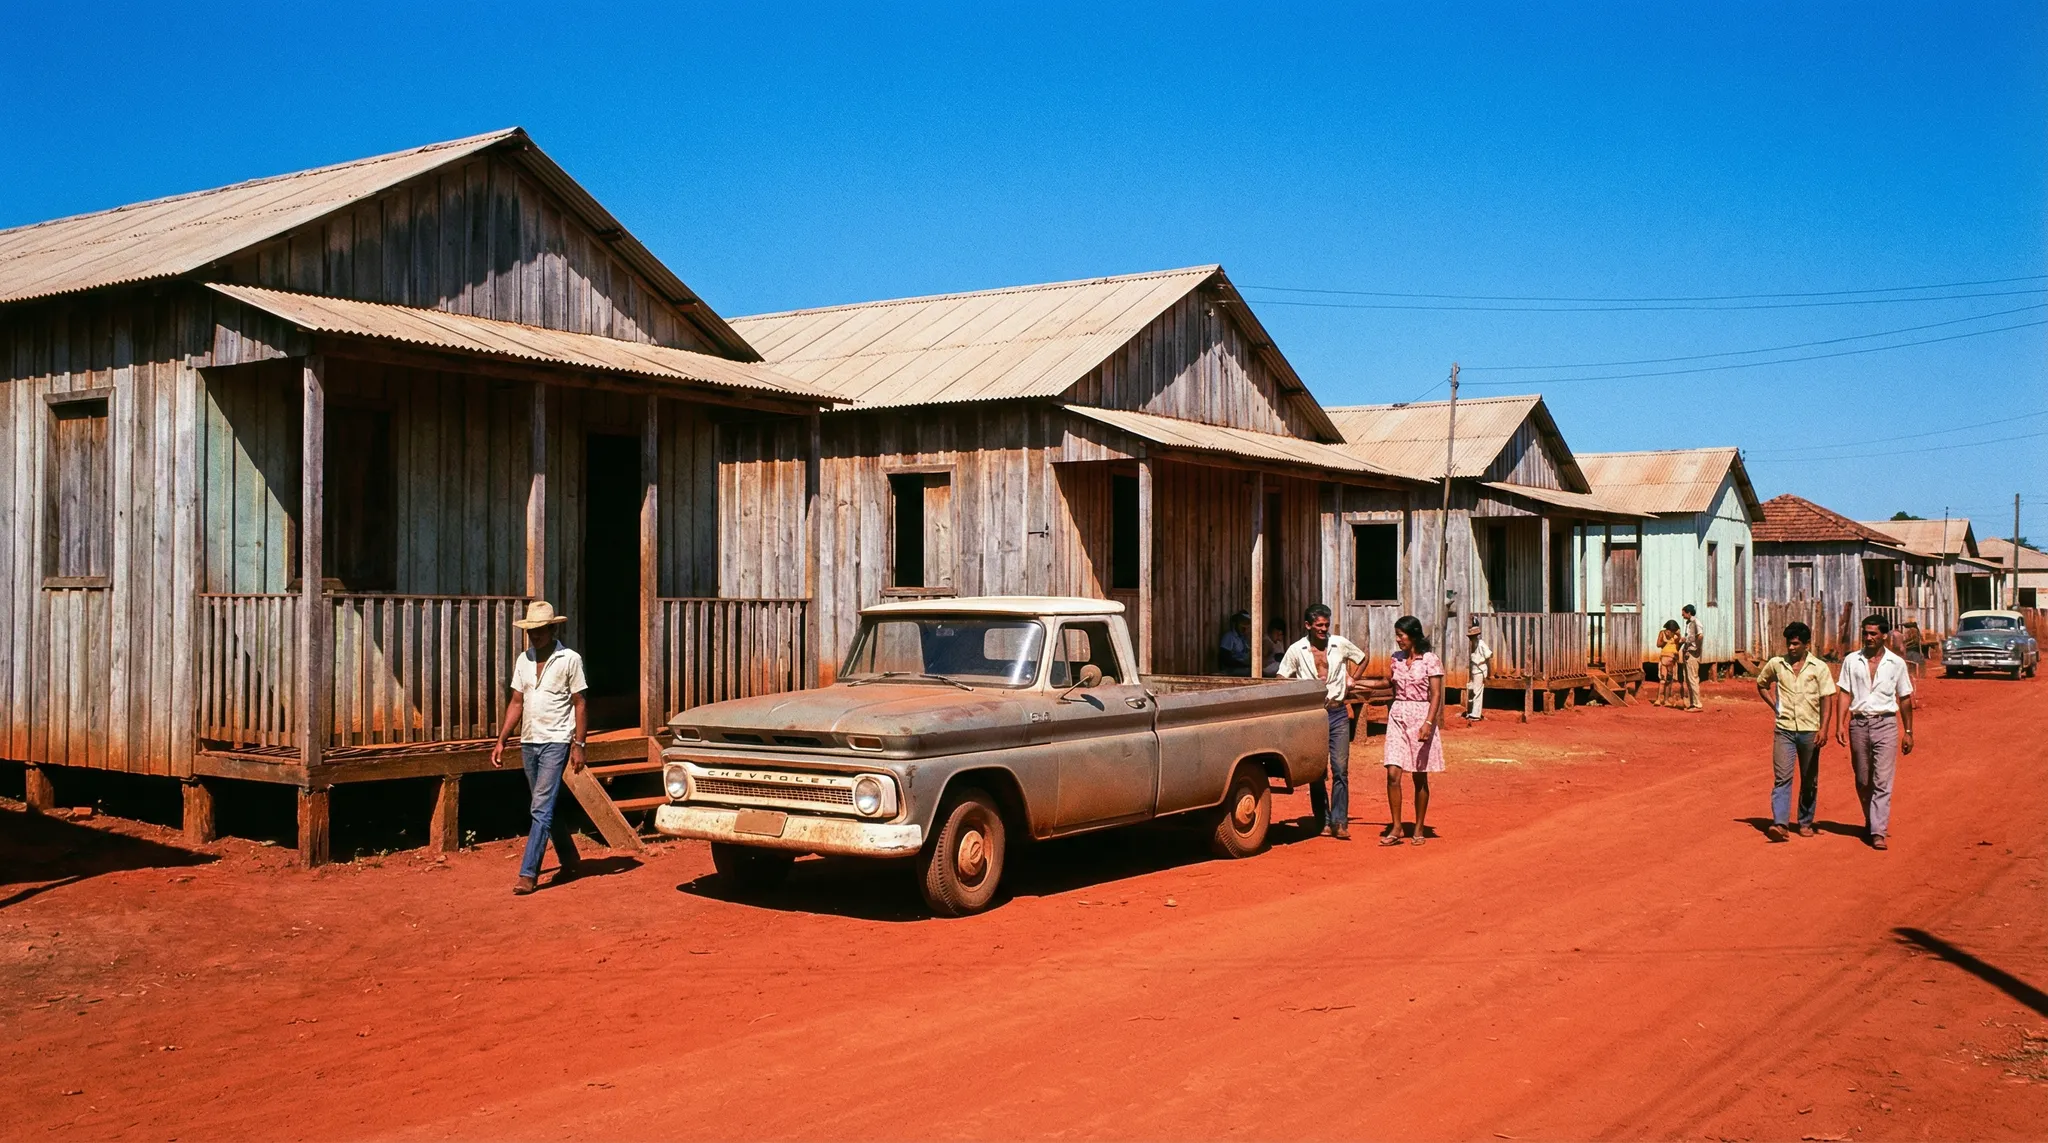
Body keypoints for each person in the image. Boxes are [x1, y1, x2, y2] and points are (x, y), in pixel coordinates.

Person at [490, 600, 589, 894]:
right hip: (529, 741)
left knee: (540, 807)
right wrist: (502, 739)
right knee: (545, 805)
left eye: (541, 630)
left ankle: (528, 872)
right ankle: (570, 858)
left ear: (553, 628)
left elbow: (580, 703)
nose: (536, 636)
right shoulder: (524, 660)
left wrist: (579, 744)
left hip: (557, 740)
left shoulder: (570, 659)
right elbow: (517, 702)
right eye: (531, 631)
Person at [1276, 604, 1366, 839]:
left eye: (1326, 625)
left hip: (1337, 712)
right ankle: (1323, 821)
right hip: (1312, 715)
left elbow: (1362, 658)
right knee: (1316, 770)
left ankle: (1340, 821)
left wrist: (1352, 680)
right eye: (1319, 626)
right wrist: (1298, 695)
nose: (1324, 629)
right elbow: (1281, 677)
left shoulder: (1339, 644)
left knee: (1340, 769)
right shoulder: (1297, 650)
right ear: (1308, 626)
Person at [1835, 614, 1915, 850]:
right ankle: (1871, 820)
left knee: (1882, 780)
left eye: (1873, 634)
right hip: (1858, 724)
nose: (1868, 638)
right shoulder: (1852, 660)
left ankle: (1878, 831)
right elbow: (1844, 693)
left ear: (1884, 635)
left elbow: (1905, 697)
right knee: (1862, 780)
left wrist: (1908, 730)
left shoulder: (1896, 664)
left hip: (1886, 724)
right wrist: (1840, 723)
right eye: (1865, 633)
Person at [1753, 621, 1837, 841]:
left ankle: (1805, 820)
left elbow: (1827, 697)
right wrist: (1775, 706)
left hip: (1810, 731)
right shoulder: (1776, 664)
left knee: (1809, 779)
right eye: (1789, 644)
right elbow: (1761, 684)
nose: (1791, 648)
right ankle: (1780, 824)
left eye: (1796, 644)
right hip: (1785, 730)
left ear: (1806, 644)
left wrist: (1824, 728)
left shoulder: (1818, 667)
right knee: (1782, 778)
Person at [1382, 615, 1445, 845]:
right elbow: (1389, 685)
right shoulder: (1395, 659)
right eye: (1396, 635)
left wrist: (1429, 723)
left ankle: (1418, 827)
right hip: (1398, 716)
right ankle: (1397, 827)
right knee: (1392, 773)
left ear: (1414, 635)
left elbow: (1436, 694)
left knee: (1419, 776)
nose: (1398, 640)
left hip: (1421, 717)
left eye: (1401, 635)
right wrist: (1355, 683)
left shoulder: (1430, 660)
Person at [1462, 620, 1492, 720]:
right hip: (1474, 671)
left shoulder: (1481, 643)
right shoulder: (1473, 645)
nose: (1471, 638)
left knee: (1477, 692)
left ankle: (1476, 714)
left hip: (1479, 670)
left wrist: (1480, 661)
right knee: (1472, 690)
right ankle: (1471, 711)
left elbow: (1488, 654)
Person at [1680, 604, 1705, 712]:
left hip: (1692, 653)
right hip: (1687, 652)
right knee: (1688, 679)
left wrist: (1697, 648)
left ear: (1689, 612)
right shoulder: (1689, 623)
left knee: (1693, 679)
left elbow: (1700, 636)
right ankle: (1692, 703)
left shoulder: (1696, 622)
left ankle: (1697, 704)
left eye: (1684, 613)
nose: (1683, 615)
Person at [1655, 620, 1683, 707]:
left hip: (1672, 659)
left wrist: (1678, 635)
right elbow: (1658, 644)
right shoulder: (1662, 633)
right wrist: (1665, 640)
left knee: (1669, 680)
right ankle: (1659, 699)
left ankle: (1666, 700)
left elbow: (1678, 646)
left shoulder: (1676, 636)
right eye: (1672, 630)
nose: (1672, 632)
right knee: (1662, 679)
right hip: (1664, 658)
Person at [1218, 611, 1254, 677]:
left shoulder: (1243, 639)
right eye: (1243, 622)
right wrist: (1243, 664)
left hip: (1243, 667)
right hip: (1232, 669)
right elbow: (1225, 659)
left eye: (1247, 623)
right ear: (1237, 623)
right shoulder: (1229, 637)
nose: (1245, 626)